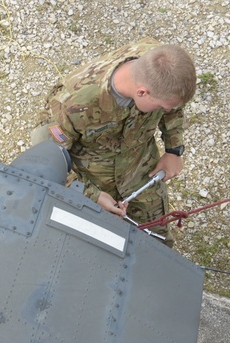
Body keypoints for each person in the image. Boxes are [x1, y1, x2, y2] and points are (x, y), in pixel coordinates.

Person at [33, 38, 196, 245]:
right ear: (142, 92)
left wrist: (174, 150)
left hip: (142, 171)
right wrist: (89, 195)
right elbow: (45, 159)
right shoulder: (74, 103)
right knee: (97, 244)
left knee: (156, 242)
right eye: (162, 108)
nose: (166, 112)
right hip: (93, 183)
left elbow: (174, 106)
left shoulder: (160, 68)